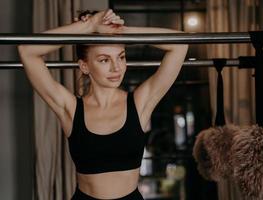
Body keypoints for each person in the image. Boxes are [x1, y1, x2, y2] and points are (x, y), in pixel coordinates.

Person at [18, 9, 188, 200]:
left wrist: (122, 30)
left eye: (121, 57)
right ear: (84, 66)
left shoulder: (140, 103)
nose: (116, 67)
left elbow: (180, 44)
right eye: (104, 60)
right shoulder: (71, 109)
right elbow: (27, 50)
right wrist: (88, 27)